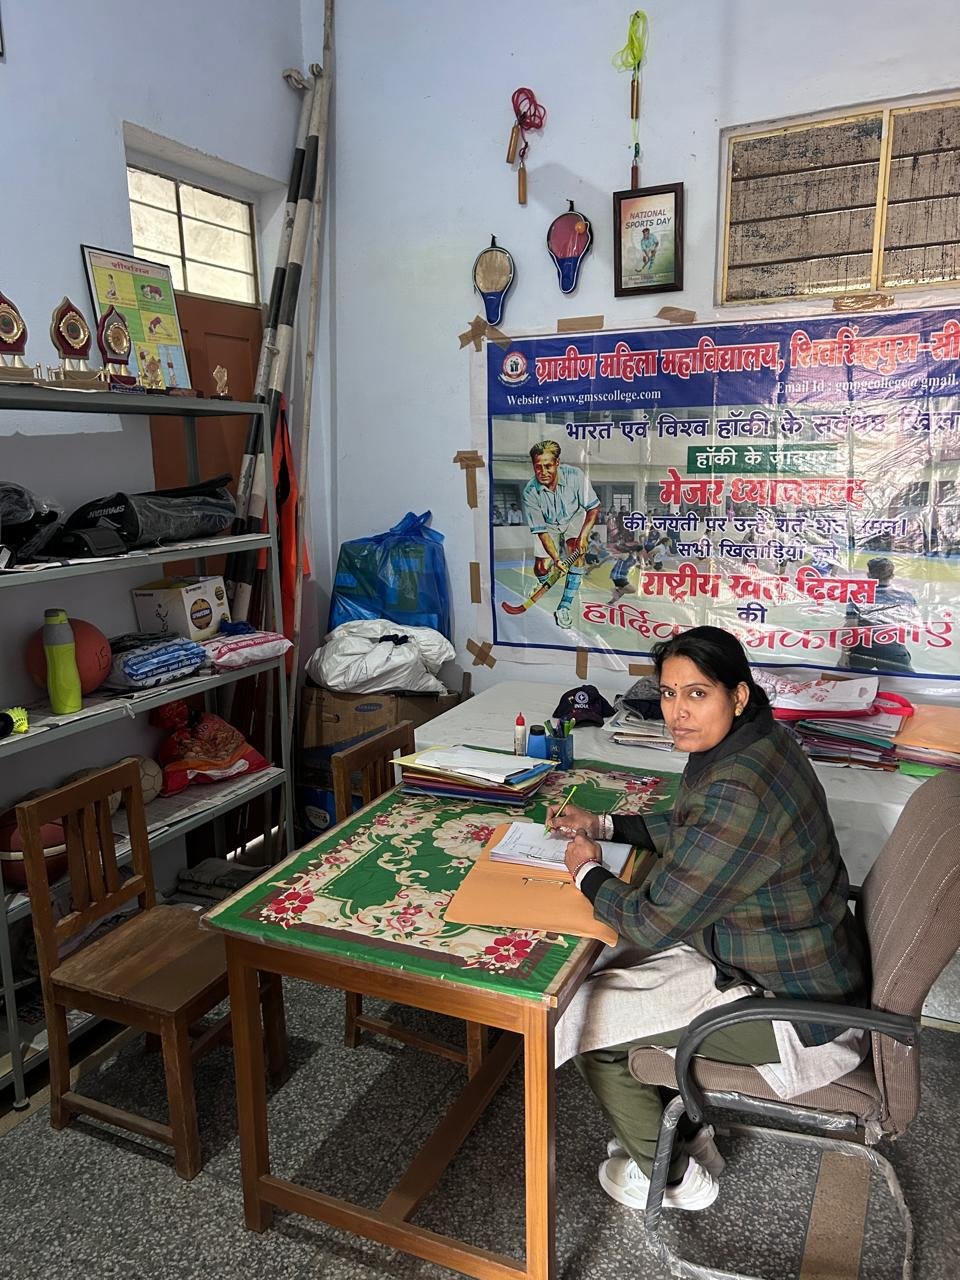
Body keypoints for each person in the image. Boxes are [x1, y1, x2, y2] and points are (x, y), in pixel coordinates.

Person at [545, 626, 868, 1213]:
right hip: (777, 956)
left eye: (697, 694)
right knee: (606, 971)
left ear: (737, 695)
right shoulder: (760, 741)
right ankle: (686, 1135)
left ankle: (673, 1179)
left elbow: (650, 922)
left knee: (587, 1021)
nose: (678, 713)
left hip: (797, 1010)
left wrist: (586, 871)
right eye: (669, 694)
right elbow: (697, 828)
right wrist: (607, 826)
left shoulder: (740, 789)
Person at [520, 439, 600, 628]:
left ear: (557, 462)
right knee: (541, 568)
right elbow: (542, 532)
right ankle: (543, 581)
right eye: (538, 467)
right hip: (548, 525)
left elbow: (593, 508)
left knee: (577, 556)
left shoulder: (575, 476)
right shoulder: (530, 492)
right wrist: (556, 559)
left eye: (548, 466)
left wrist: (583, 536)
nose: (543, 472)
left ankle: (564, 607)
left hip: (574, 518)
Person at [844, 556, 918, 672]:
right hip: (893, 650)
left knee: (841, 677)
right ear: (892, 576)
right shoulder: (905, 597)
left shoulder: (858, 596)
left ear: (869, 575)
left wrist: (844, 654)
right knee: (907, 681)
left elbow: (850, 628)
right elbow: (911, 629)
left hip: (862, 650)